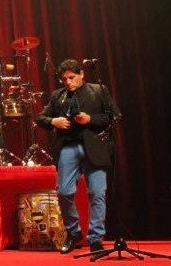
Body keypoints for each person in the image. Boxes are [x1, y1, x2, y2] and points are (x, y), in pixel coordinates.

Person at [35, 59, 121, 254]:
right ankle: (74, 232)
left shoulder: (99, 90)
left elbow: (114, 116)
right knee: (64, 192)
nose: (67, 82)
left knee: (97, 193)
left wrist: (90, 119)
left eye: (71, 77)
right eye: (64, 79)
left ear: (82, 74)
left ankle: (95, 238)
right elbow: (40, 118)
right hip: (69, 146)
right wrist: (53, 121)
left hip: (95, 146)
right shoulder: (58, 95)